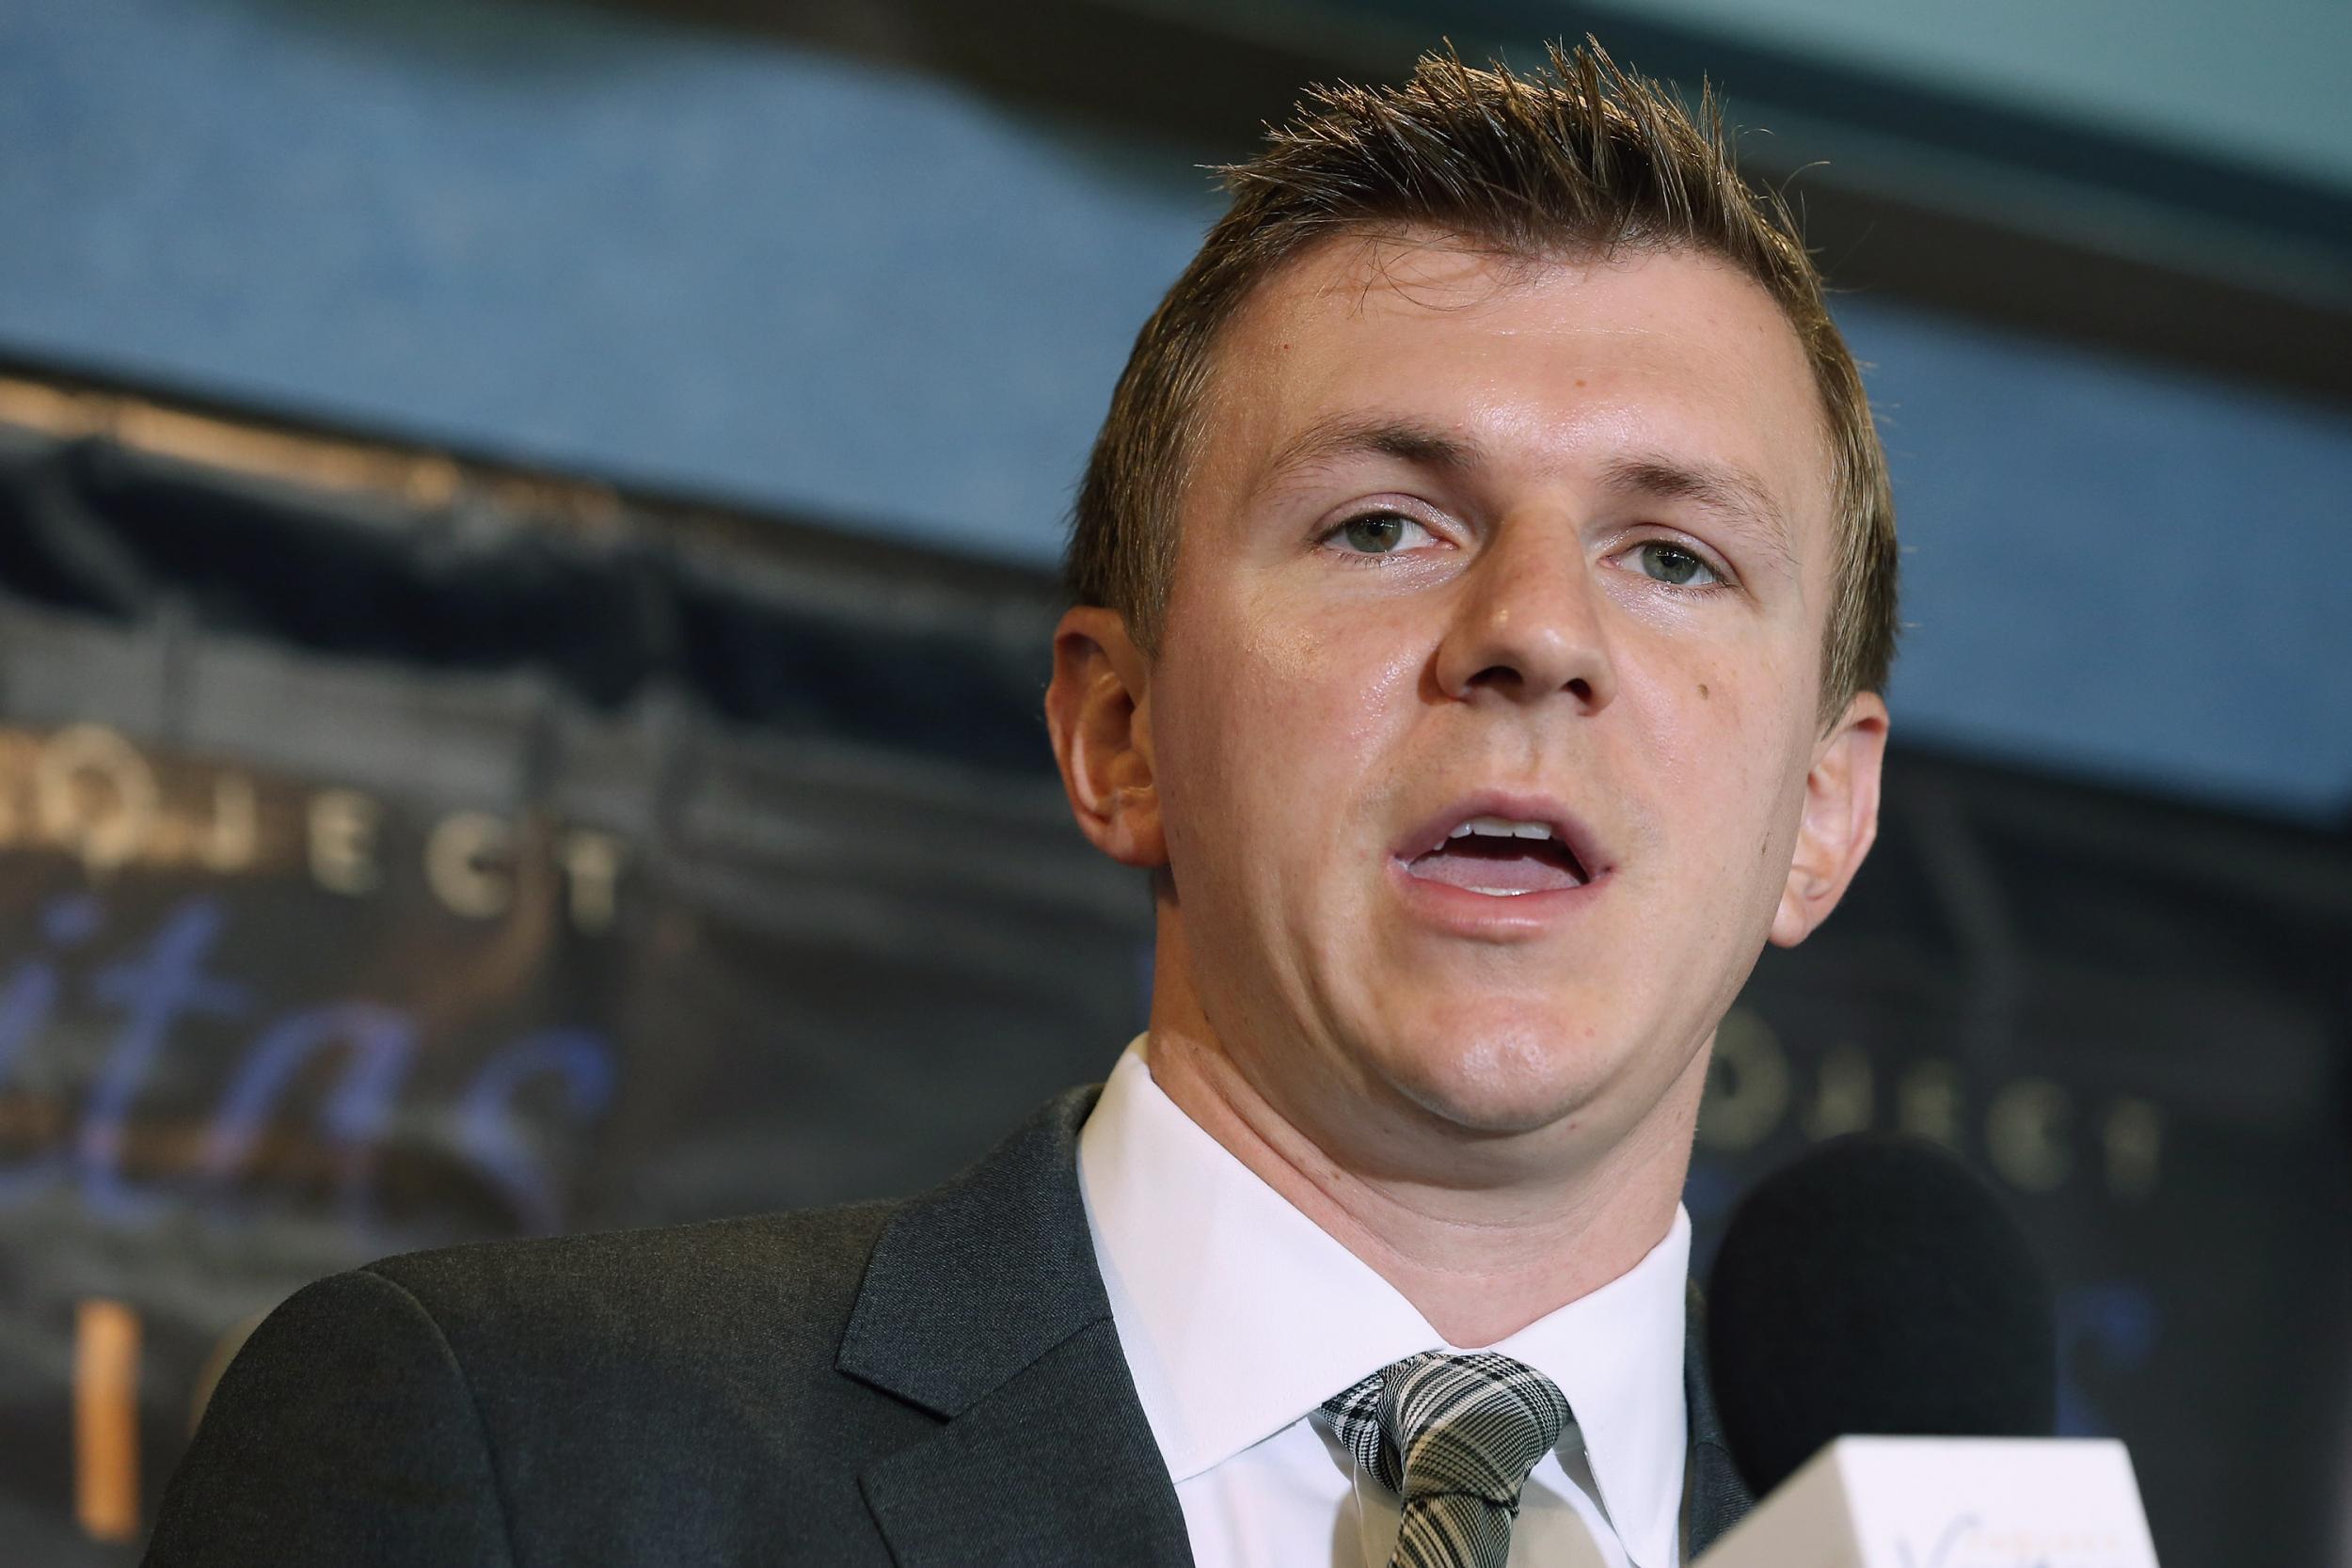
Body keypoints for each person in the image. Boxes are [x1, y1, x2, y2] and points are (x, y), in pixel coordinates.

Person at [144, 40, 1895, 1568]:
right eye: (1384, 526)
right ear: (1119, 734)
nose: (1532, 632)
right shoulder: (514, 1454)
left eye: (1672, 555)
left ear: (1823, 813)